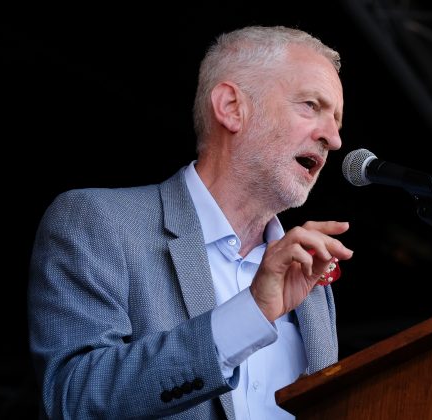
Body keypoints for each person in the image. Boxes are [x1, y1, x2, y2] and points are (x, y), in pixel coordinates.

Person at [27, 25, 353, 419]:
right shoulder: (97, 223)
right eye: (311, 105)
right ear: (231, 107)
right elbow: (73, 400)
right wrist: (249, 314)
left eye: (336, 120)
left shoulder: (312, 279)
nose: (333, 139)